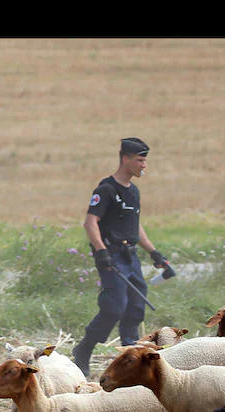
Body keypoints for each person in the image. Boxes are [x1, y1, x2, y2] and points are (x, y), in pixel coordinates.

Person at [71, 137, 169, 377]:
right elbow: (90, 222)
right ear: (125, 159)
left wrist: (154, 252)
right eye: (140, 160)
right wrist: (101, 251)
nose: (144, 165)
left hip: (130, 256)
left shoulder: (133, 192)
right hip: (111, 256)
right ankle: (83, 349)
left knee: (136, 306)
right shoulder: (106, 189)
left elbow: (135, 228)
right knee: (114, 307)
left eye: (145, 160)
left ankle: (130, 359)